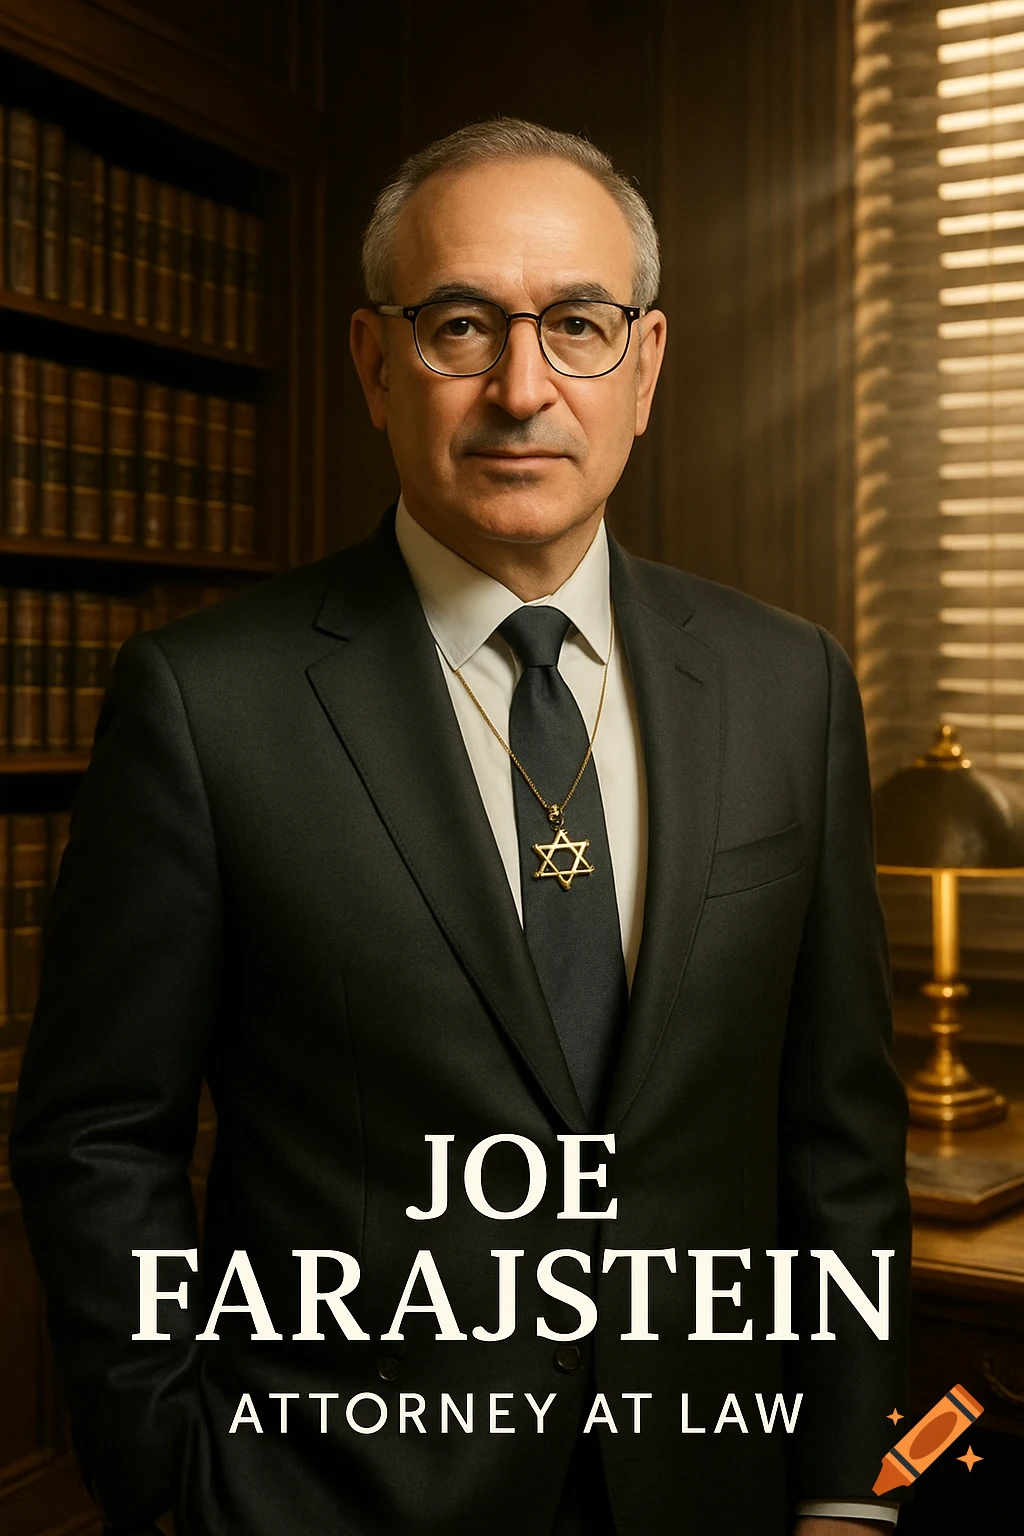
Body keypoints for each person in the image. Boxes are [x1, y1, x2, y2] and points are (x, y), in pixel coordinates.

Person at [11, 118, 910, 1536]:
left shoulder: (788, 683)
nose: (522, 387)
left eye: (579, 325)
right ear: (377, 365)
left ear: (649, 365)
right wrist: (180, 1479)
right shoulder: (203, 703)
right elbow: (95, 1135)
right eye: (459, 327)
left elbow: (836, 1135)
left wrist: (848, 1492)